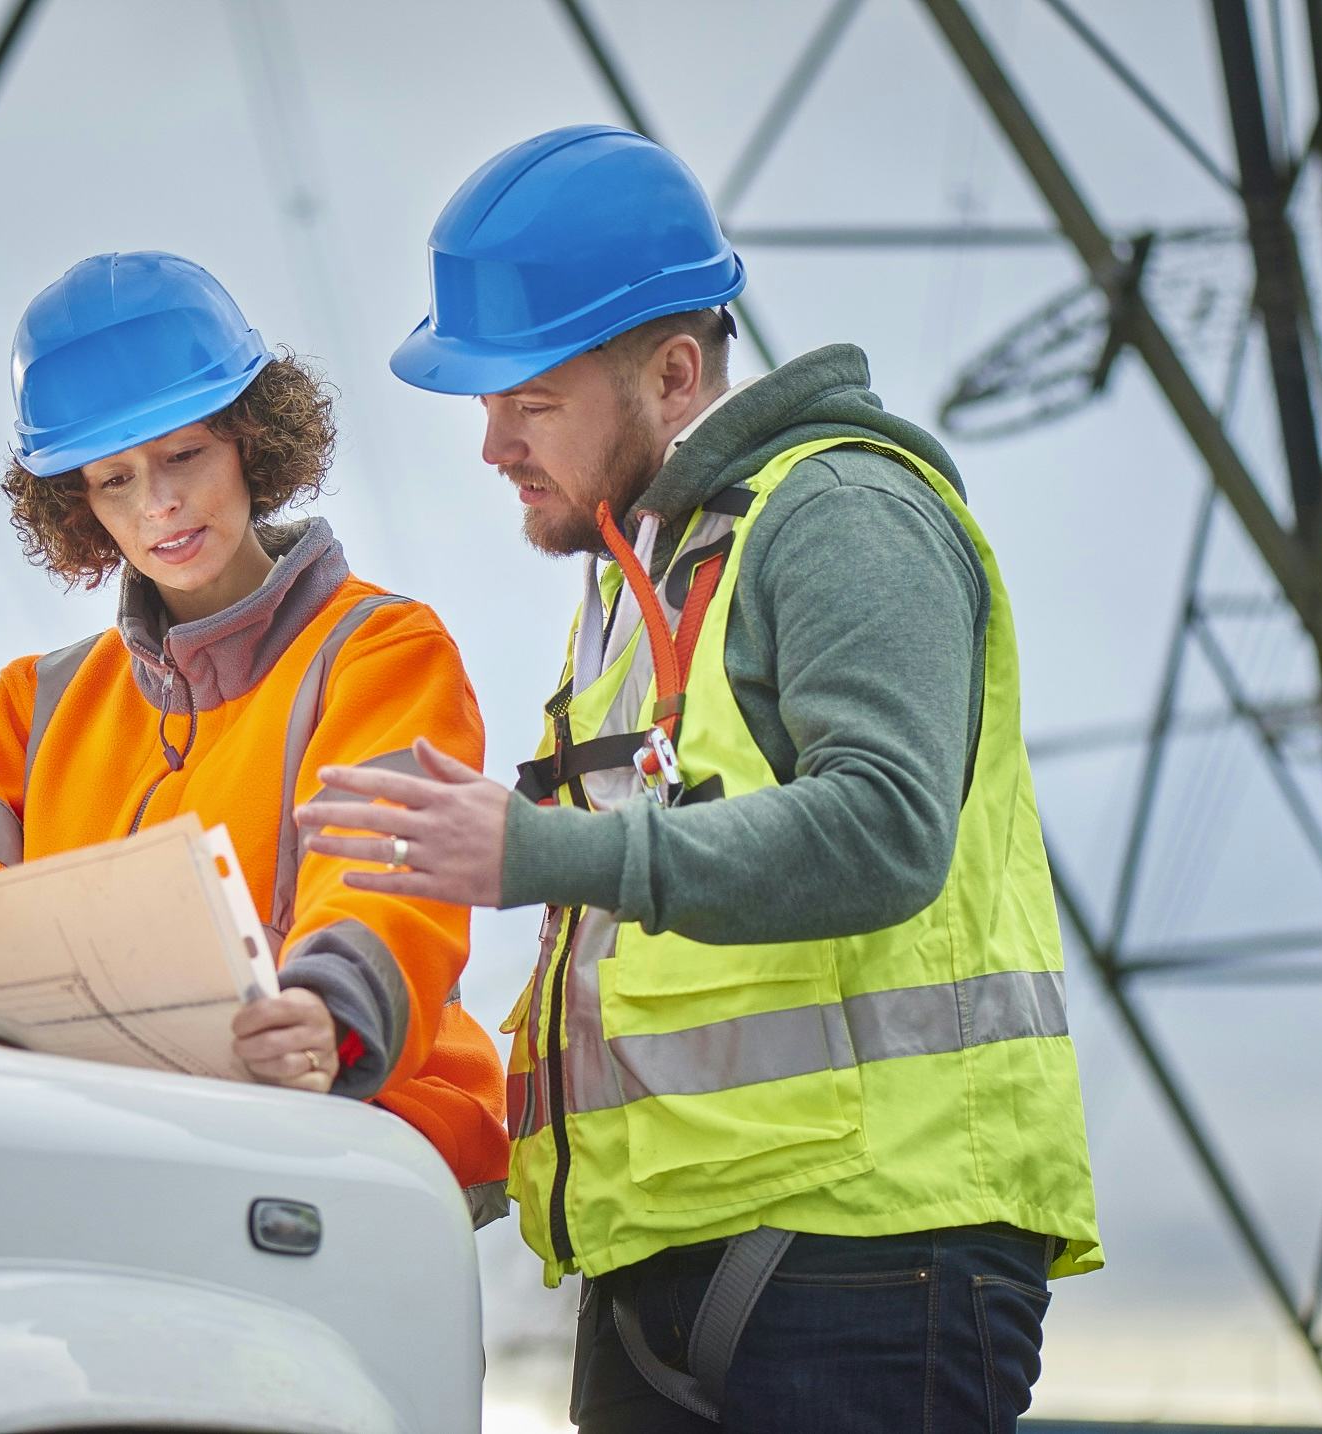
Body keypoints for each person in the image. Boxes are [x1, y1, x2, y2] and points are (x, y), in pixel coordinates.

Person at [296, 125, 1102, 1429]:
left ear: (674, 373)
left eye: (529, 399)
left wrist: (537, 851)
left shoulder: (840, 512)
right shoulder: (639, 581)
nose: (491, 443)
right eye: (482, 403)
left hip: (870, 1265)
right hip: (668, 1258)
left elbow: (886, 829)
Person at [0, 250, 507, 1220]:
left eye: (183, 456)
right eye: (112, 479)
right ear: (76, 504)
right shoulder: (29, 708)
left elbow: (382, 884)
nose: (157, 506)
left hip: (351, 1169)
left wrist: (328, 1017)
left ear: (250, 441)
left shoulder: (378, 650)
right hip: (111, 1177)